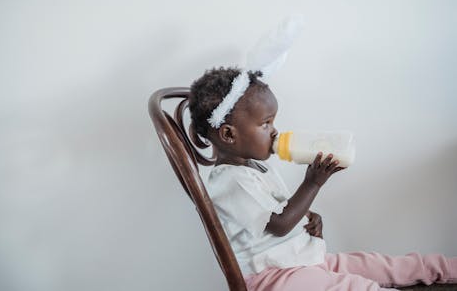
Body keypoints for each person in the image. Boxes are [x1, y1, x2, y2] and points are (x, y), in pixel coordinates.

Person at [188, 67, 457, 291]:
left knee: (379, 265)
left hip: (303, 263)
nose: (274, 131)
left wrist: (308, 217)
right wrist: (312, 183)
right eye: (266, 124)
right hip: (276, 279)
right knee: (358, 287)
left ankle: (444, 268)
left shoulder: (254, 167)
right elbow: (279, 225)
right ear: (229, 135)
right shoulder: (229, 182)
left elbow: (278, 213)